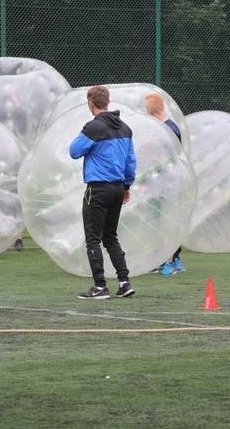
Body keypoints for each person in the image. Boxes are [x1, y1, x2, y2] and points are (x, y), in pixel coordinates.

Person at [70, 85, 137, 299]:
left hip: (98, 189)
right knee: (110, 237)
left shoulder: (93, 127)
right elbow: (130, 161)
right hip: (118, 188)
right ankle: (124, 282)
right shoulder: (125, 128)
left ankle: (100, 286)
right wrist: (127, 187)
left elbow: (74, 151)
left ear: (91, 104)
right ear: (108, 102)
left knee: (93, 238)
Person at [145, 93, 186, 275]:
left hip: (166, 184)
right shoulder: (171, 127)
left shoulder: (165, 130)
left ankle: (168, 263)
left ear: (149, 110)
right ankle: (165, 260)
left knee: (166, 222)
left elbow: (164, 159)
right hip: (163, 183)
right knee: (159, 222)